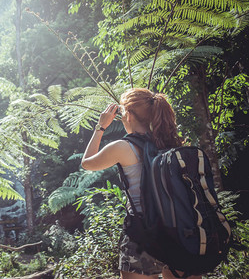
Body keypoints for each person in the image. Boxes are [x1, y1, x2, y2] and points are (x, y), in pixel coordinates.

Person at [81, 88, 201, 279]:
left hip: (143, 235)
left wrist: (100, 127)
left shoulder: (123, 147)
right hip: (182, 230)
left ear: (128, 115)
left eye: (121, 115)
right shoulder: (172, 144)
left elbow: (87, 163)